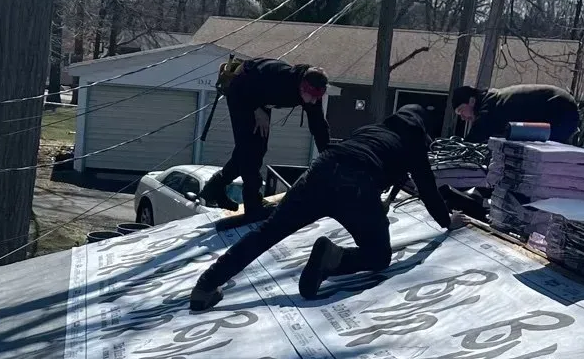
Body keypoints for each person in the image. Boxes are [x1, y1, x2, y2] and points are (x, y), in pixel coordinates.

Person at [188, 105, 464, 312]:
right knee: (379, 256)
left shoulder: (371, 129)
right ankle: (331, 259)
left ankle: (206, 285)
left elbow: (366, 157)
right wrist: (446, 221)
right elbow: (427, 187)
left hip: (321, 171)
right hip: (356, 185)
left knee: (268, 232)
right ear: (422, 128)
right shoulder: (414, 142)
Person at [200, 59, 331, 219]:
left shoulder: (311, 95)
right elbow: (242, 84)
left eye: (319, 97)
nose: (314, 101)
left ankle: (215, 187)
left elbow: (318, 126)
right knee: (250, 151)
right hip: (241, 94)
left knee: (253, 148)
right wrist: (257, 109)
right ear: (302, 86)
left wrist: (328, 156)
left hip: (259, 100)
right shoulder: (281, 78)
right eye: (312, 96)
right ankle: (253, 204)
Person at [452, 83, 581, 144]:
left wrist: (460, 148)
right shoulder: (493, 99)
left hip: (560, 109)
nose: (463, 118)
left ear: (472, 101)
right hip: (561, 107)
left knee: (541, 153)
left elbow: (476, 136)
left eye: (461, 111)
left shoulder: (489, 105)